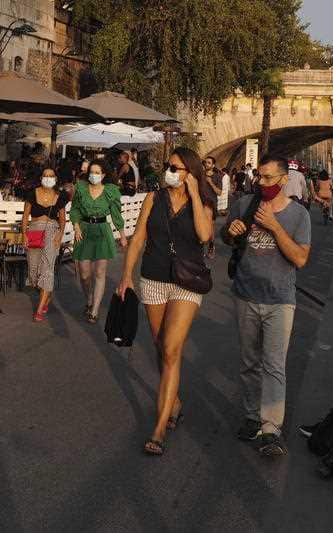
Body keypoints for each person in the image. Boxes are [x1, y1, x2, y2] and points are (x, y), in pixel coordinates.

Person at [116, 147, 215, 456]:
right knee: (161, 346)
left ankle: (159, 428)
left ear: (190, 173)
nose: (169, 171)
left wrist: (196, 196)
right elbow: (138, 239)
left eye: (176, 168)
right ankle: (175, 401)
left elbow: (203, 234)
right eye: (168, 166)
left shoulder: (204, 203)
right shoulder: (153, 198)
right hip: (154, 278)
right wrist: (126, 276)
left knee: (172, 347)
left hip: (187, 283)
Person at [223, 154, 311, 457]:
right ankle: (251, 415)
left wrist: (274, 227)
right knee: (249, 362)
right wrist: (230, 231)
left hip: (280, 300)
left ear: (284, 179)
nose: (262, 183)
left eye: (269, 178)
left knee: (274, 365)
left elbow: (300, 258)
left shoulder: (299, 215)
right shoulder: (245, 204)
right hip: (245, 294)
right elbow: (227, 239)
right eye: (259, 177)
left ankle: (271, 428)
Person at [70, 160, 128, 324]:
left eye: (97, 173)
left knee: (100, 273)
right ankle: (88, 297)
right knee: (84, 274)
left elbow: (116, 214)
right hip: (84, 231)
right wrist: (76, 225)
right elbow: (74, 208)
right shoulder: (81, 188)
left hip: (102, 231)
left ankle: (94, 310)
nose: (93, 175)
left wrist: (123, 235)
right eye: (91, 172)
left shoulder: (111, 191)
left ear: (103, 175)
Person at [22, 168, 67, 321]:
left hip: (52, 231)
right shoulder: (32, 193)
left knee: (47, 268)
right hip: (34, 231)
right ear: (41, 177)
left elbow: (62, 219)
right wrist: (24, 235)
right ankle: (47, 294)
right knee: (34, 273)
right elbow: (25, 216)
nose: (48, 178)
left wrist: (59, 235)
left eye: (51, 176)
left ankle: (40, 309)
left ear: (55, 178)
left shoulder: (59, 196)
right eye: (45, 175)